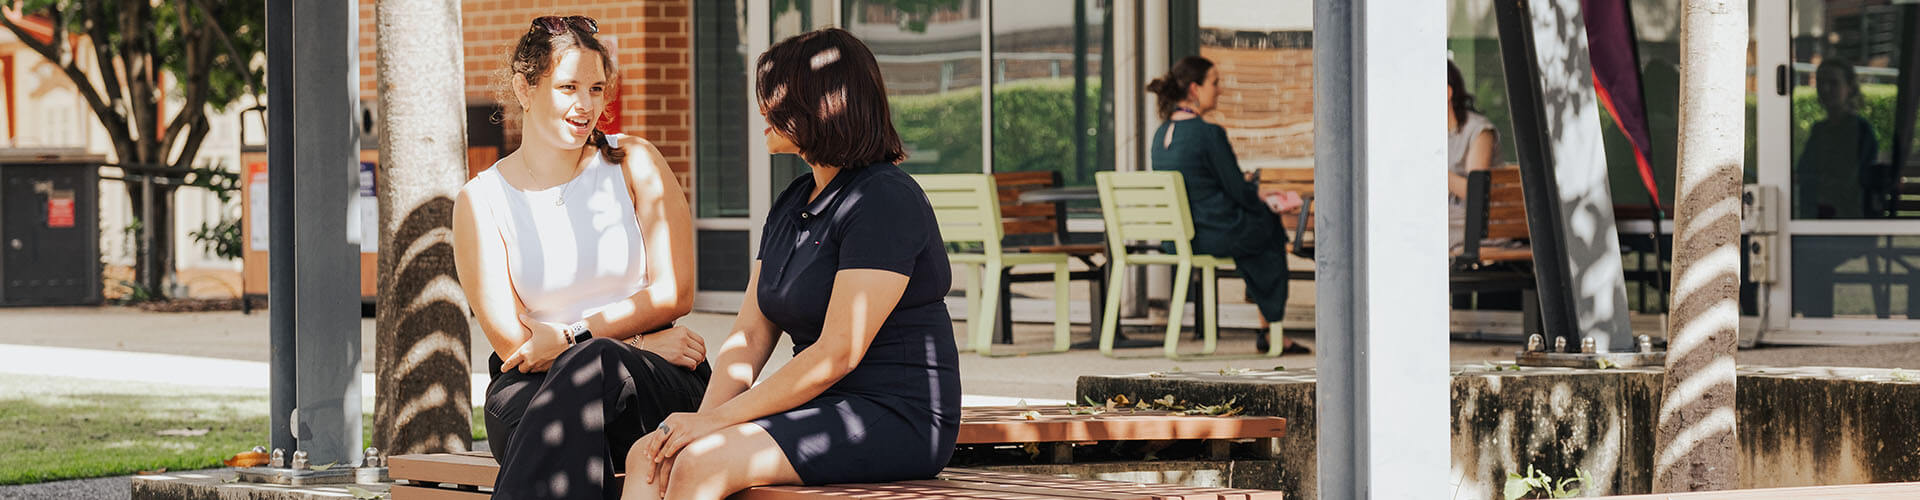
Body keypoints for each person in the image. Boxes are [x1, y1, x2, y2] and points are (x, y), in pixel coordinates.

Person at [618, 28, 960, 500]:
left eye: (776, 96)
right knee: (651, 455)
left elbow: (837, 353)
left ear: (822, 104)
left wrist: (715, 425)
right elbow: (750, 336)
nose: (763, 108)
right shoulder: (793, 201)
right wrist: (699, 422)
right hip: (822, 407)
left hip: (895, 413)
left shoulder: (884, 199)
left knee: (701, 463)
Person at [450, 15, 710, 500]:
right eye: (568, 87)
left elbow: (675, 292)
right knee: (584, 383)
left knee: (599, 364)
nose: (586, 105)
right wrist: (640, 340)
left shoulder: (634, 162)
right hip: (536, 389)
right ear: (524, 89)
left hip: (653, 385)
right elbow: (516, 346)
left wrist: (587, 339)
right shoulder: (481, 201)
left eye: (596, 88)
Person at [1145, 55, 1307, 356]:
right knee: (1267, 229)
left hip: (1178, 237)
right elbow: (1238, 192)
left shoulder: (1161, 134)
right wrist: (1267, 197)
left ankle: (1268, 329)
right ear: (1194, 89)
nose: (1220, 90)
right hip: (1212, 233)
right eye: (1215, 83)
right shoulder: (1208, 133)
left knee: (1256, 231)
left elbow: (1203, 183)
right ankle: (1271, 329)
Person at [1793, 57, 1883, 219]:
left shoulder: (1860, 131)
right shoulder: (1819, 130)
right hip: (1815, 218)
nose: (1825, 88)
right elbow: (1804, 171)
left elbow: (1850, 182)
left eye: (1833, 83)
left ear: (1849, 87)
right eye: (1821, 82)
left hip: (1850, 222)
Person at [1447, 60, 1501, 252]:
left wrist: (1433, 169)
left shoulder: (1479, 131)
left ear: (1447, 92)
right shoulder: (1431, 136)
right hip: (1453, 221)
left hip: (1478, 225)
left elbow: (1475, 193)